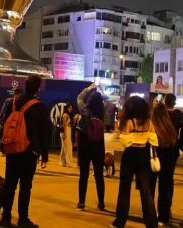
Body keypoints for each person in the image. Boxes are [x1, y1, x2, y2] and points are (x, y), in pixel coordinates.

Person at [0, 74, 52, 228]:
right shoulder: (40, 106)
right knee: (25, 186)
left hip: (12, 149)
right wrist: (44, 154)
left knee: (10, 184)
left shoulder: (13, 102)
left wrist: (4, 146)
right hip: (29, 151)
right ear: (38, 88)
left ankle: (5, 217)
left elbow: (5, 124)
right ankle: (22, 219)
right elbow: (45, 132)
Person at [112, 95, 158, 228]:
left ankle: (120, 221)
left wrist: (125, 134)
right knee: (145, 190)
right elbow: (154, 139)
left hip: (130, 155)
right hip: (144, 156)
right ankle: (151, 223)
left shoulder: (129, 122)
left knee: (124, 189)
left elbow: (125, 141)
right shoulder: (149, 122)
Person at [75, 83, 108, 211]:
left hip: (85, 145)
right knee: (99, 175)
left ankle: (81, 202)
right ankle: (101, 203)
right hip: (98, 146)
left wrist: (89, 88)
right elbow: (107, 102)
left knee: (84, 175)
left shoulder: (84, 110)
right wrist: (103, 91)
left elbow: (79, 98)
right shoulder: (103, 113)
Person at [151, 102, 180, 226]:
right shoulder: (169, 127)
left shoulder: (152, 126)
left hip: (153, 159)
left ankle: (150, 214)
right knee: (164, 189)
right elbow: (175, 144)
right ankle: (163, 216)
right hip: (168, 161)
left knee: (150, 188)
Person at [60, 103, 76, 168]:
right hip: (65, 131)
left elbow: (72, 125)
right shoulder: (65, 115)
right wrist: (65, 133)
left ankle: (63, 162)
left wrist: (75, 119)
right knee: (68, 147)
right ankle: (69, 163)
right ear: (66, 108)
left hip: (68, 131)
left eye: (71, 108)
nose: (70, 109)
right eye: (69, 108)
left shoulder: (69, 115)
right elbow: (64, 125)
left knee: (65, 148)